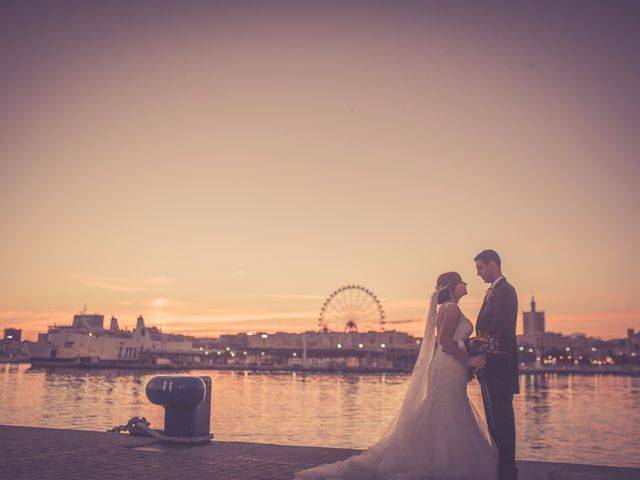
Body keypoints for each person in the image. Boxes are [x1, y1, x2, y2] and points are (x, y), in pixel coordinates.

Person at [294, 271, 498, 480]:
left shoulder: (444, 309)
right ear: (453, 287)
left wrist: (469, 345)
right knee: (450, 408)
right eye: (461, 281)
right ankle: (445, 460)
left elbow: (446, 341)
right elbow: (445, 341)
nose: (465, 284)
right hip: (450, 365)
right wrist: (469, 360)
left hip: (445, 365)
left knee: (442, 408)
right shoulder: (453, 309)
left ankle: (437, 456)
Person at [474, 249, 519, 480]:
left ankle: (508, 470)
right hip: (489, 366)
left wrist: (475, 347)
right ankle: (502, 466)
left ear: (493, 264)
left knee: (502, 420)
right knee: (494, 420)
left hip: (499, 367)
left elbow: (499, 329)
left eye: (480, 268)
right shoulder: (493, 292)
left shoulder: (505, 292)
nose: (478, 273)